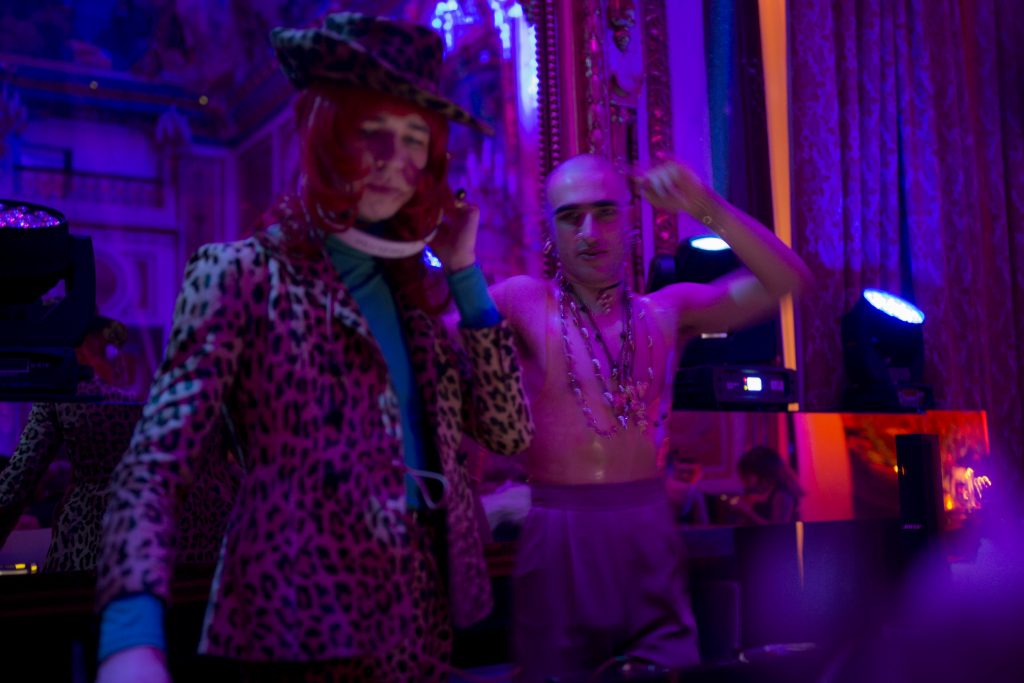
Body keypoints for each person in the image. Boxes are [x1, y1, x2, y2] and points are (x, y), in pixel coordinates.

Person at [94, 12, 533, 683]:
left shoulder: (415, 305)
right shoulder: (243, 275)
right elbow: (153, 468)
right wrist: (131, 636)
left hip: (419, 613)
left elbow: (509, 432)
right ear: (326, 135)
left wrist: (466, 272)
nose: (394, 161)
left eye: (414, 139)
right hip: (293, 624)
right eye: (371, 132)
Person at [489, 154, 813, 681]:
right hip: (559, 536)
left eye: (605, 213)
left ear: (630, 221)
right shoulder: (525, 302)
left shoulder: (665, 312)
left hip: (647, 532)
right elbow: (434, 341)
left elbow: (788, 278)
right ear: (551, 228)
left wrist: (704, 205)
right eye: (571, 217)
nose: (589, 232)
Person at [0, 314, 236, 571]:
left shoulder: (64, 393)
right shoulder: (214, 384)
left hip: (96, 552)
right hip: (201, 551)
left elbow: (16, 484)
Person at [728, 445, 804, 525]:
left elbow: (777, 528)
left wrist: (747, 510)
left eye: (748, 474)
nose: (745, 479)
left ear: (762, 472)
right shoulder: (763, 490)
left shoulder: (781, 494)